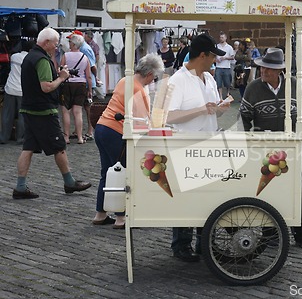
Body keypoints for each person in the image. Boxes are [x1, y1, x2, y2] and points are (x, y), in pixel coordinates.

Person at [239, 47, 302, 250]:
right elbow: (244, 117)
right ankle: (270, 234)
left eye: (268, 69)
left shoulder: (294, 86)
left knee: (298, 190)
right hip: (263, 150)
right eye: (262, 68)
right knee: (267, 189)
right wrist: (248, 142)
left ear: (279, 70)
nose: (263, 71)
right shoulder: (253, 88)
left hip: (294, 149)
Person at [167, 33, 230, 262]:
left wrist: (221, 108)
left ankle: (206, 243)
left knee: (209, 198)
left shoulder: (210, 79)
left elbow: (211, 108)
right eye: (213, 56)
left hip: (209, 144)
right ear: (203, 55)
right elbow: (169, 116)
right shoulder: (177, 80)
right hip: (186, 146)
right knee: (187, 198)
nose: (215, 60)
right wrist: (202, 110)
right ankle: (181, 244)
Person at [12, 27, 91, 199]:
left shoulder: (30, 57)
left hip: (29, 108)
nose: (56, 47)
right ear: (46, 43)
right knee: (59, 147)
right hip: (43, 110)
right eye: (55, 44)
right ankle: (69, 183)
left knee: (28, 147)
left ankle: (20, 187)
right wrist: (62, 77)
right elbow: (46, 86)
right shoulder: (41, 59)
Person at [93, 53, 163, 229]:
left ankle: (100, 213)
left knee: (107, 172)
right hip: (116, 131)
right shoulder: (139, 90)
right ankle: (121, 218)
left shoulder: (125, 80)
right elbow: (144, 121)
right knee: (125, 173)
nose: (152, 81)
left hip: (102, 127)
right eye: (154, 77)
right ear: (149, 74)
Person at [60, 34, 93, 144]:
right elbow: (88, 75)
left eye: (70, 42)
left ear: (73, 44)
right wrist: (90, 90)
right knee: (78, 112)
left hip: (68, 84)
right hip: (81, 85)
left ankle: (66, 137)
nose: (69, 44)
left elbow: (61, 70)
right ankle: (79, 137)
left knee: (66, 111)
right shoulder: (85, 57)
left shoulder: (66, 55)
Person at [0, 40, 33, 144]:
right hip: (22, 90)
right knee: (22, 116)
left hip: (10, 88)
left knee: (7, 115)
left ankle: (4, 137)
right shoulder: (31, 59)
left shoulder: (14, 57)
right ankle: (20, 138)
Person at [67, 30, 97, 141]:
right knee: (80, 107)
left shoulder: (85, 49)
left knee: (87, 107)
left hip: (86, 82)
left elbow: (92, 66)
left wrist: (95, 79)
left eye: (71, 40)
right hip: (83, 81)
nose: (69, 43)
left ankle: (90, 131)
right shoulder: (82, 49)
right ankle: (78, 131)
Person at [214, 32, 235, 99]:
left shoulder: (229, 47)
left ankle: (228, 93)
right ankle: (220, 96)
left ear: (225, 38)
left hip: (226, 67)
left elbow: (232, 57)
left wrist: (225, 58)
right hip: (218, 67)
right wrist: (216, 59)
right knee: (218, 82)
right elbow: (213, 55)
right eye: (220, 37)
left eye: (222, 37)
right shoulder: (217, 46)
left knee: (227, 82)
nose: (221, 39)